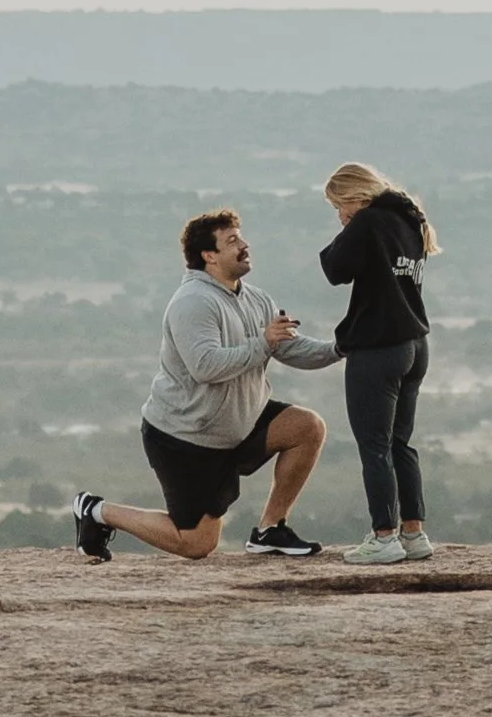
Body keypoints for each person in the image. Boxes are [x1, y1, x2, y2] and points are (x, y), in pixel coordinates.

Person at [73, 208, 339, 563]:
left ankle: (270, 530)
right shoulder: (192, 302)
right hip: (188, 438)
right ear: (208, 256)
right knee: (196, 544)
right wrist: (262, 343)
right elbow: (206, 367)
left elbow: (289, 347)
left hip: (240, 424)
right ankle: (95, 510)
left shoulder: (256, 299)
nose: (244, 246)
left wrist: (342, 347)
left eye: (241, 237)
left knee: (307, 427)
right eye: (232, 241)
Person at [318, 160, 437, 567]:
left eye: (339, 206)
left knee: (374, 446)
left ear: (355, 196)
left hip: (379, 349)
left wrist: (350, 226)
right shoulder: (410, 221)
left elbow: (335, 269)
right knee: (401, 442)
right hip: (415, 344)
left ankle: (384, 537)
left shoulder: (369, 223)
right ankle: (414, 533)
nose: (340, 215)